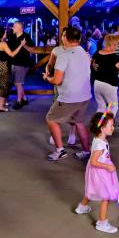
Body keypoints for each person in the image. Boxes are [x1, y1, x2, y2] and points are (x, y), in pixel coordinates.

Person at [43, 26, 92, 161]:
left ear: (65, 38)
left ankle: (60, 151)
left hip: (69, 96)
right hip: (85, 95)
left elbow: (57, 80)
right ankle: (86, 151)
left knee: (51, 119)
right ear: (79, 39)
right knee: (79, 122)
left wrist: (47, 78)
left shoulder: (63, 55)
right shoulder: (84, 53)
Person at [74, 112, 119, 234]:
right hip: (100, 171)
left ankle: (82, 207)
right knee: (105, 197)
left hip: (98, 171)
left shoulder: (99, 139)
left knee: (92, 189)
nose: (113, 128)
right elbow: (93, 162)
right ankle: (102, 223)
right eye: (111, 125)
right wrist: (108, 166)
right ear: (102, 128)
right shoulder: (100, 145)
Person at [91, 34, 119, 113]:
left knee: (101, 107)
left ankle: (99, 121)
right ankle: (107, 121)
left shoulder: (96, 54)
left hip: (97, 84)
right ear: (112, 44)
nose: (117, 47)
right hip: (109, 86)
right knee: (113, 107)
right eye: (116, 44)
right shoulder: (114, 57)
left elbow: (91, 65)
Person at [0, 27, 22, 112]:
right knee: (4, 86)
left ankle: (3, 102)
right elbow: (12, 54)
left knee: (1, 84)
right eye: (4, 32)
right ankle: (1, 106)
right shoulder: (3, 44)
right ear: (0, 34)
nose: (6, 34)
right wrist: (21, 45)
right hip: (2, 66)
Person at [8, 21, 34, 109]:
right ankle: (25, 98)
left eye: (14, 26)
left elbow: (32, 50)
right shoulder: (12, 37)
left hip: (23, 63)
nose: (12, 28)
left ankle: (19, 101)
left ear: (20, 28)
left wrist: (24, 45)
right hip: (14, 62)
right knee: (17, 83)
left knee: (18, 83)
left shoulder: (26, 36)